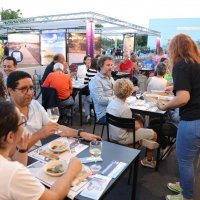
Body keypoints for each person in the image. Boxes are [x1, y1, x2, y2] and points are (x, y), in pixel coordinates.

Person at [0, 100, 82, 200]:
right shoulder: (12, 172)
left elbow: (20, 166)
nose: (24, 126)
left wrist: (22, 148)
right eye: (22, 122)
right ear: (10, 137)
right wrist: (71, 171)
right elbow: (54, 197)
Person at [7, 71, 101, 149]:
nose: (30, 93)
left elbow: (55, 127)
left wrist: (80, 133)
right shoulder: (5, 114)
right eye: (24, 89)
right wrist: (39, 134)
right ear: (10, 91)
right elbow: (11, 151)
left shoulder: (34, 104)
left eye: (31, 88)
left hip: (38, 152)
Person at [157, 33, 200, 200]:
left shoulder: (181, 65)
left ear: (175, 48)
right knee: (193, 160)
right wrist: (176, 87)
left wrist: (164, 105)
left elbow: (184, 98)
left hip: (192, 121)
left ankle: (186, 195)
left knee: (185, 161)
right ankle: (184, 185)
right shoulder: (196, 64)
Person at [106, 78, 159, 168]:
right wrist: (138, 124)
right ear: (129, 92)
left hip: (112, 135)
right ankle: (148, 160)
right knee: (153, 134)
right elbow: (130, 128)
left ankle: (142, 141)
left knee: (138, 120)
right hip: (123, 138)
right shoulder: (125, 108)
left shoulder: (111, 103)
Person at [89, 56, 114, 124]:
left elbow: (115, 93)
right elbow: (100, 100)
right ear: (101, 66)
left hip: (114, 109)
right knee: (129, 119)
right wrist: (115, 99)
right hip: (104, 114)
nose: (110, 67)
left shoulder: (110, 78)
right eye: (108, 65)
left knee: (137, 117)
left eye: (111, 65)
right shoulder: (95, 81)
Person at [83, 58, 98, 122]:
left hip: (92, 96)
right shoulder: (99, 72)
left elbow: (85, 83)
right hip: (100, 96)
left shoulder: (89, 71)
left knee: (86, 100)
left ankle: (88, 115)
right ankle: (97, 115)